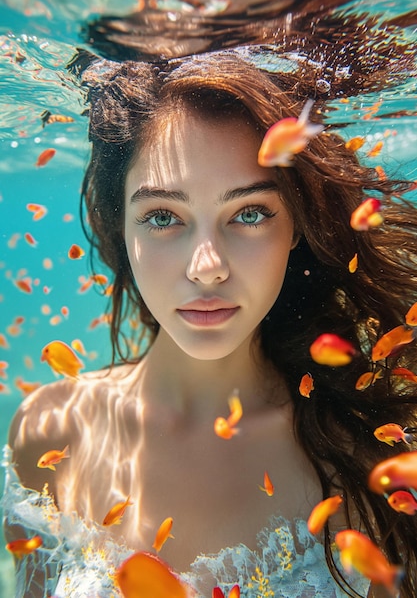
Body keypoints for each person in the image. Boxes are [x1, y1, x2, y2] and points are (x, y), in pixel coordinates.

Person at [4, 50, 417, 598]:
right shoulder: (50, 431)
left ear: (296, 225)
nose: (207, 267)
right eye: (162, 217)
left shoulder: (368, 458)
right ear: (120, 227)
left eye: (248, 213)